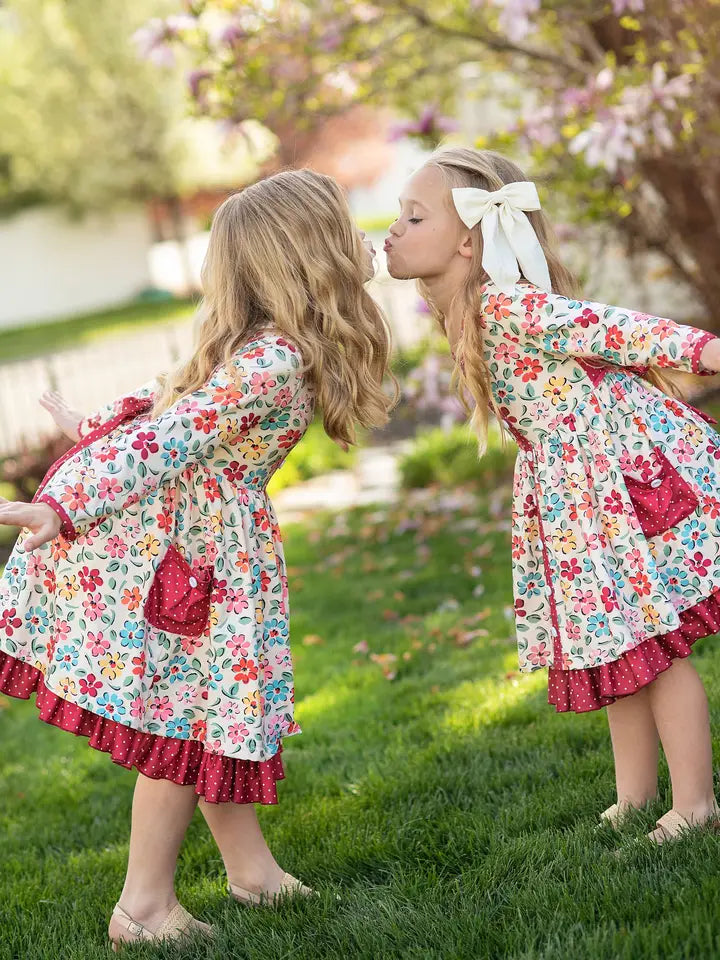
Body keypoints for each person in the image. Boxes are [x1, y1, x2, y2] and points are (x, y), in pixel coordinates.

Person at [0, 168, 396, 948]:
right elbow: (171, 432)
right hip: (195, 559)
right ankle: (143, 906)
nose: (358, 237)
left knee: (208, 708)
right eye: (341, 225)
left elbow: (163, 399)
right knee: (182, 720)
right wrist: (65, 504)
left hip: (200, 546)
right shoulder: (273, 359)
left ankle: (250, 872)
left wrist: (95, 424)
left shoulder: (263, 347)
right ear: (308, 251)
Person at [384, 145, 720, 845]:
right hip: (573, 491)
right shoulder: (470, 308)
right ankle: (634, 798)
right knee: (612, 642)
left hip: (613, 482)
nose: (393, 230)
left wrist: (706, 352)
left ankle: (695, 804)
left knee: (654, 638)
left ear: (470, 241)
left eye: (414, 217)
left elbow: (615, 330)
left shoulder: (505, 303)